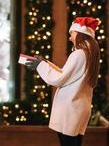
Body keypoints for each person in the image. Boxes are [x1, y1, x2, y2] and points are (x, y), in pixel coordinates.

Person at [26, 17, 100, 146]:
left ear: (80, 34)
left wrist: (40, 66)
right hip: (79, 108)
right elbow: (67, 74)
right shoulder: (89, 54)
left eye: (72, 34)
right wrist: (45, 63)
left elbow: (59, 79)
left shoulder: (78, 54)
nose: (70, 38)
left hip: (70, 109)